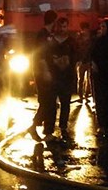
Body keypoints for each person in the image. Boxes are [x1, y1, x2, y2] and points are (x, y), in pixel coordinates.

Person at [28, 9, 58, 142]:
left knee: (49, 102)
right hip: (43, 73)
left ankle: (47, 131)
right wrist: (46, 71)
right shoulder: (43, 35)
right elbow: (40, 56)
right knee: (48, 102)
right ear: (54, 21)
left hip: (46, 72)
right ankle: (37, 127)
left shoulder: (47, 34)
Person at [47, 17, 77, 139]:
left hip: (67, 76)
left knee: (65, 103)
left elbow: (76, 55)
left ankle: (63, 127)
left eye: (65, 26)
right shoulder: (50, 40)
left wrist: (67, 60)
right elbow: (45, 55)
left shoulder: (71, 41)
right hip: (53, 76)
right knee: (51, 104)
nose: (62, 29)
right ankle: (49, 129)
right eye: (60, 26)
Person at [75, 21, 93, 102]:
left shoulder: (90, 38)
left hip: (88, 60)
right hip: (82, 61)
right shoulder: (80, 38)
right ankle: (81, 96)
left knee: (89, 79)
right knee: (81, 79)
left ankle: (86, 95)